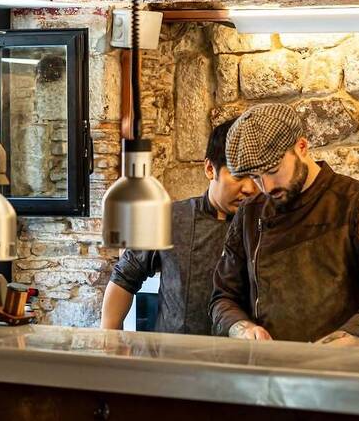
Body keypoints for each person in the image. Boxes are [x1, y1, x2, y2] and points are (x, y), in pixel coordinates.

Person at [209, 103, 359, 346]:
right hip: (270, 373)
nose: (267, 187)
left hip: (342, 371)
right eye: (256, 177)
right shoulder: (250, 213)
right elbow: (223, 298)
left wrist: (342, 347)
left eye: (273, 170)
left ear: (301, 147)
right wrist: (244, 330)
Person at [100, 119, 256, 334]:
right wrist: (109, 341)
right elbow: (124, 277)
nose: (249, 187)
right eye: (238, 175)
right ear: (210, 169)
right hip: (173, 357)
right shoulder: (172, 217)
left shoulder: (261, 225)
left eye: (256, 175)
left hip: (237, 359)